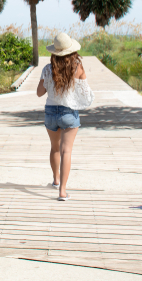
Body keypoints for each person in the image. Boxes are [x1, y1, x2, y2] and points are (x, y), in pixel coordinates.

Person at [36, 32, 92, 201]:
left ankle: (55, 180)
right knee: (66, 151)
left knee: (54, 148)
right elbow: (86, 93)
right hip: (69, 113)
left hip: (51, 112)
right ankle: (62, 191)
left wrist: (49, 84)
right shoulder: (77, 67)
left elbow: (39, 93)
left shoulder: (47, 69)